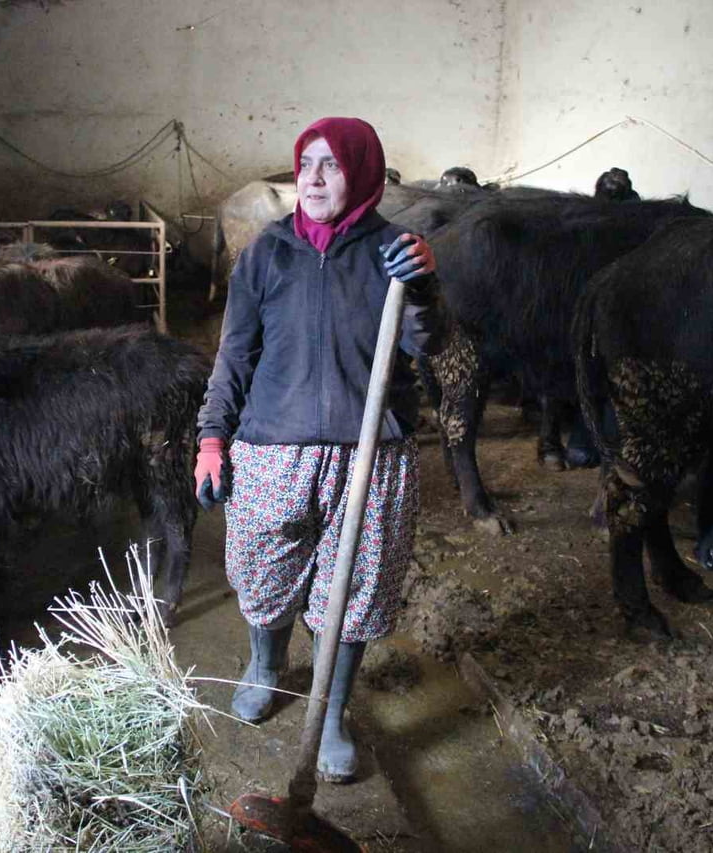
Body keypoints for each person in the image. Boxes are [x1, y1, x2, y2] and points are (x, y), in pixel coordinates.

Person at [193, 116, 440, 784]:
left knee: (353, 590)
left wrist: (423, 287)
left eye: (332, 165)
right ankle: (265, 663)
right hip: (274, 446)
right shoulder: (267, 253)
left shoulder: (391, 250)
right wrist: (212, 437)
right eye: (306, 164)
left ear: (360, 172)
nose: (315, 177)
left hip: (370, 453)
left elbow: (428, 345)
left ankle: (331, 712)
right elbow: (233, 355)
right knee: (264, 571)